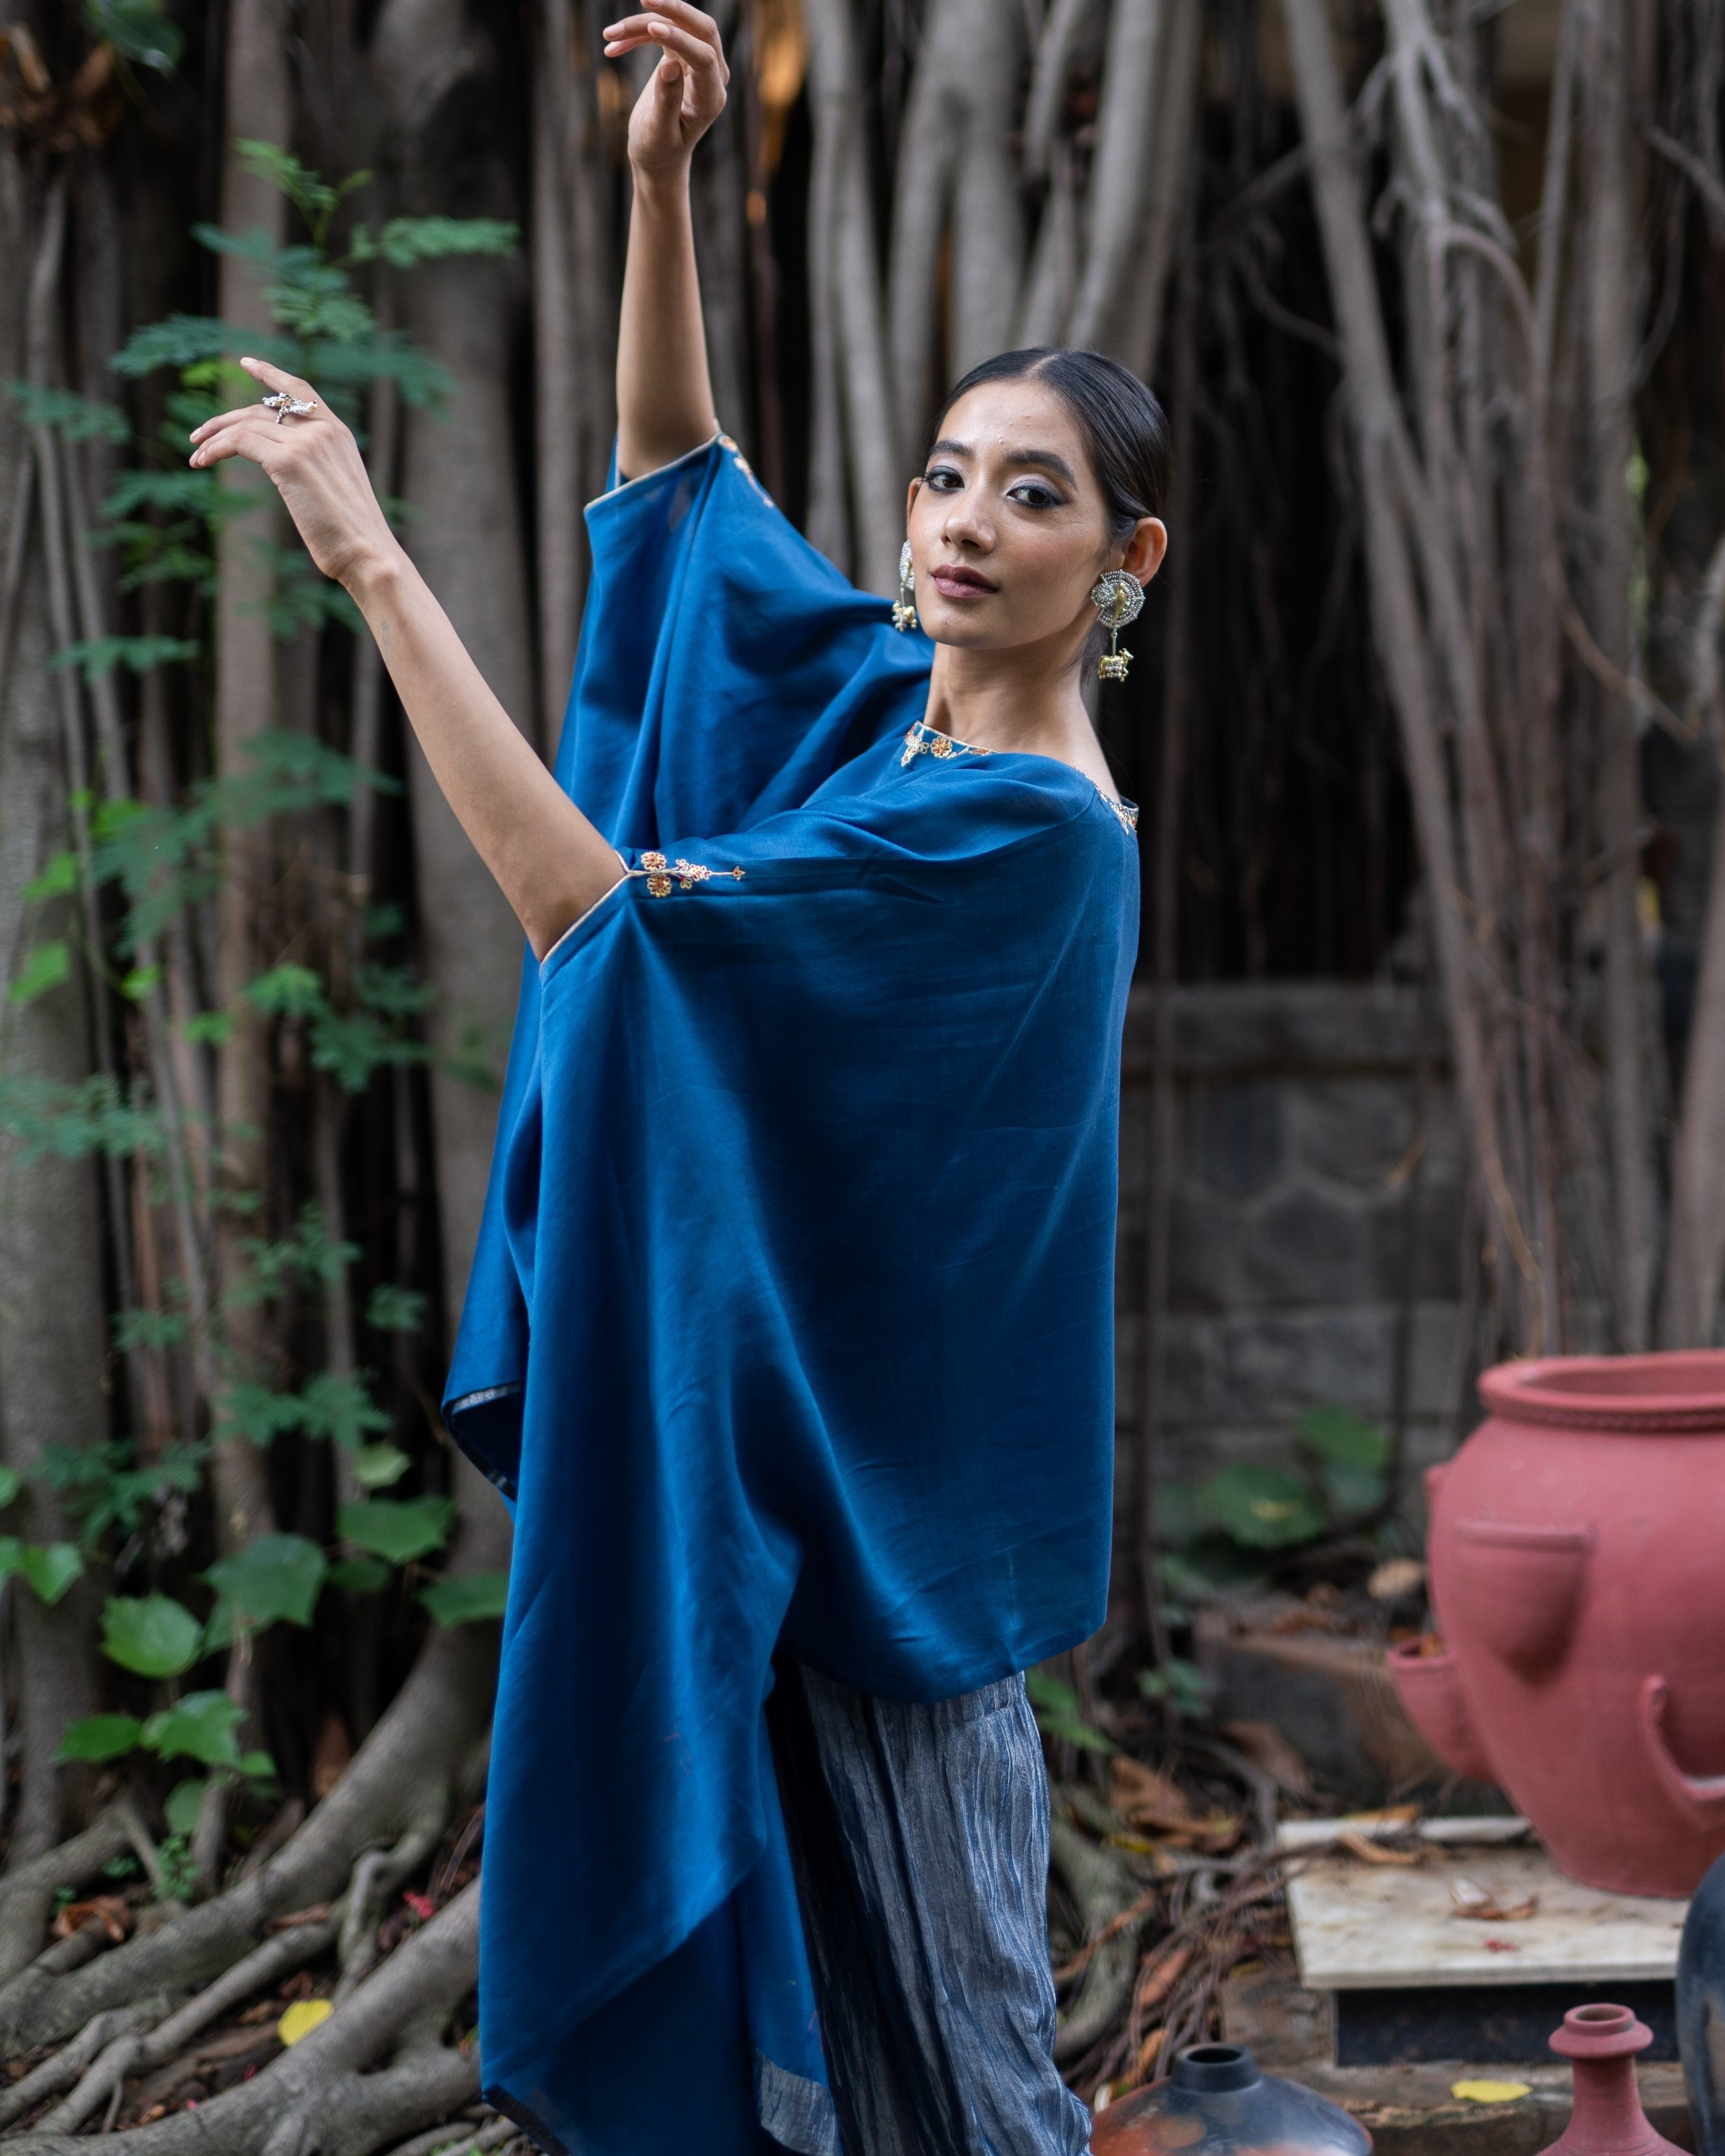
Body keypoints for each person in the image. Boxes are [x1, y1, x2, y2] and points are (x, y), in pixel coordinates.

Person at [188, 6, 1168, 2149]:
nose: (963, 522)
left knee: (975, 2082)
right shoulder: (904, 721)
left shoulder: (1017, 829)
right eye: (944, 473)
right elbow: (684, 509)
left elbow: (593, 920)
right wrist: (659, 193)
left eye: (1034, 495)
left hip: (898, 1576)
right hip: (806, 1506)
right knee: (837, 2075)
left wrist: (368, 555)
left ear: (1125, 563)